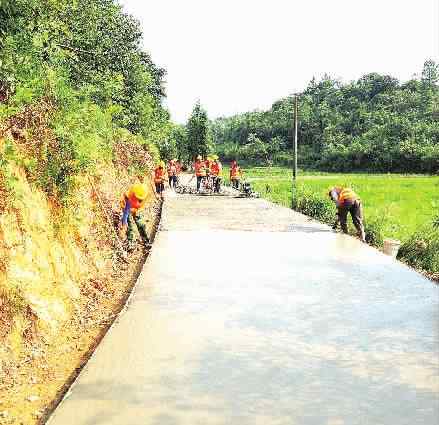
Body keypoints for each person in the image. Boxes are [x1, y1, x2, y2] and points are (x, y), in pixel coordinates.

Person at [119, 183, 151, 251]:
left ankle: (145, 241)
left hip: (136, 207)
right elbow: (126, 212)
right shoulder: (130, 195)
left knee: (141, 224)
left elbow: (141, 205)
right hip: (127, 205)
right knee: (129, 225)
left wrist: (136, 210)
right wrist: (124, 223)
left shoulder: (145, 192)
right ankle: (130, 243)